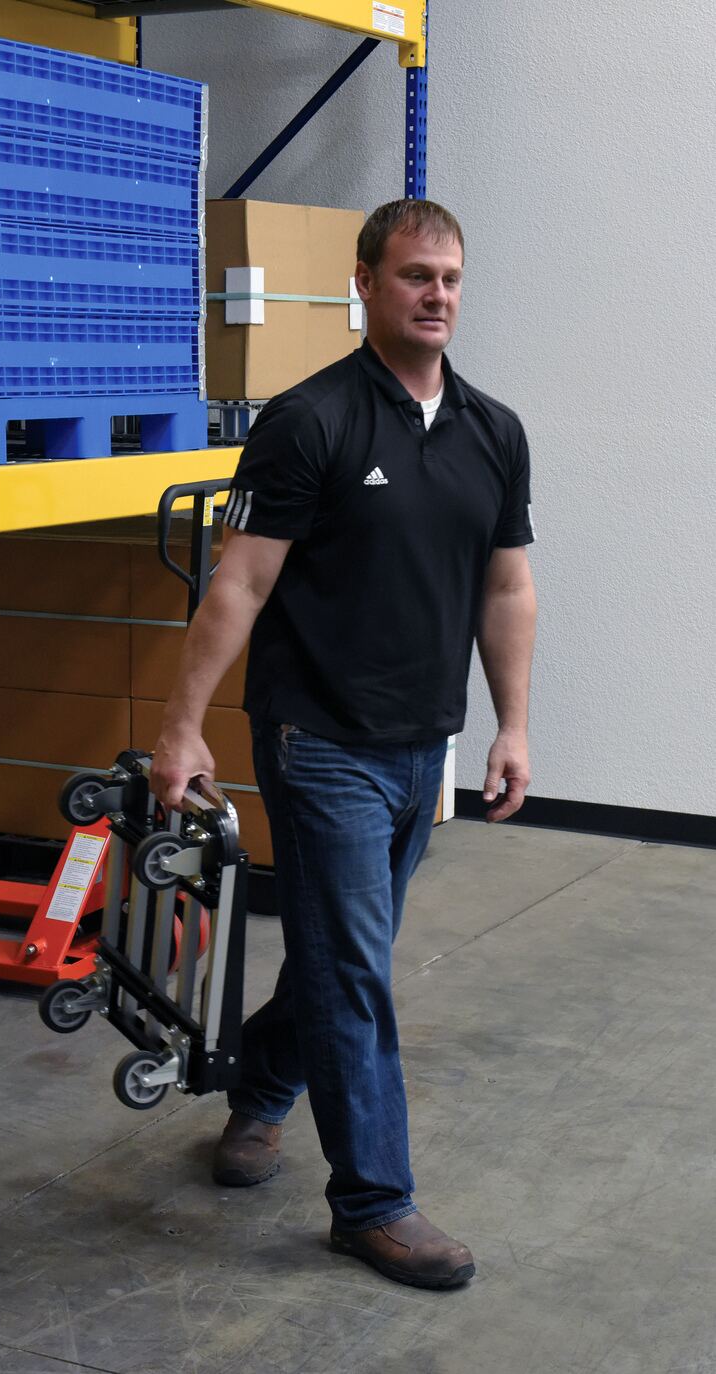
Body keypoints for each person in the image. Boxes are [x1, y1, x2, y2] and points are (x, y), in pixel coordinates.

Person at [151, 199, 537, 1291]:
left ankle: (261, 1087)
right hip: (320, 739)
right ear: (363, 283)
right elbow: (240, 583)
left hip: (425, 743)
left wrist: (512, 724)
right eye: (415, 275)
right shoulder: (309, 420)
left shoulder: (494, 430)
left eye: (450, 278)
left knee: (337, 958)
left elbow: (506, 587)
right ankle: (374, 1203)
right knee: (357, 967)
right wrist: (180, 727)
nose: (437, 295)